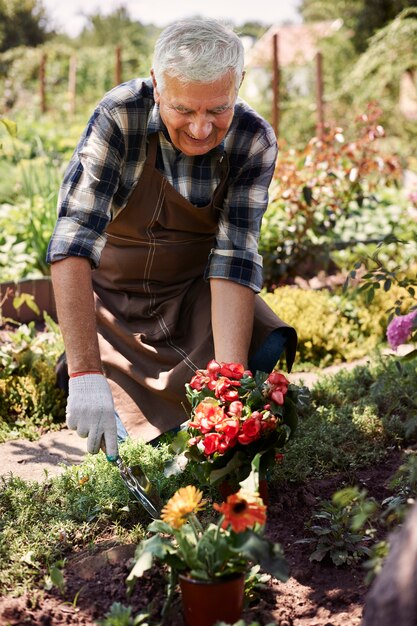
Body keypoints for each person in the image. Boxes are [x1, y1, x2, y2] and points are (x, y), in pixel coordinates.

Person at [47, 17, 297, 460]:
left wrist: (229, 387)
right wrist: (87, 374)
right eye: (184, 109)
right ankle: (91, 376)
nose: (201, 129)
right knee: (135, 437)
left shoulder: (252, 139)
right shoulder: (119, 116)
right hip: (112, 306)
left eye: (217, 109)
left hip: (193, 296)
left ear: (238, 84)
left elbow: (233, 260)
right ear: (157, 85)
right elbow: (73, 240)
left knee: (264, 350)